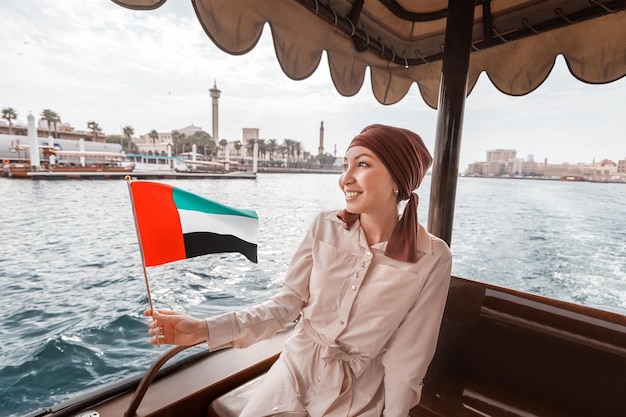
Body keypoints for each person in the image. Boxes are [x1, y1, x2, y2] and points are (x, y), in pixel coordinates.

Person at [145, 124, 452, 417]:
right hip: (294, 368)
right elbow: (286, 304)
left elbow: (408, 356)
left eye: (362, 164)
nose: (345, 179)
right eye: (345, 165)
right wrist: (203, 330)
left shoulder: (432, 257)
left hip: (357, 391)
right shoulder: (324, 225)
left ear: (398, 180)